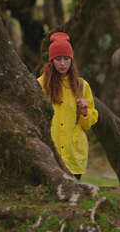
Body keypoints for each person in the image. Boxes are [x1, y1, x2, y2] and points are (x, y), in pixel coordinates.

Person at [37, 32, 98, 180]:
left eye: (66, 59)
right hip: (50, 152)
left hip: (74, 154)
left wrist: (85, 112)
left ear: (71, 60)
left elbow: (87, 125)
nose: (63, 63)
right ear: (51, 61)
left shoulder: (81, 86)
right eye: (58, 59)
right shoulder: (40, 85)